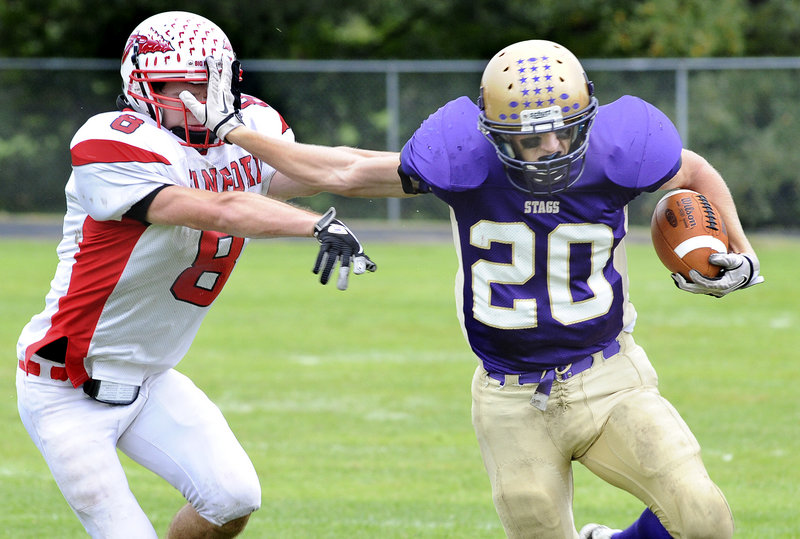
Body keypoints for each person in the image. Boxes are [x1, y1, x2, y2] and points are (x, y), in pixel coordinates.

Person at [187, 39, 764, 539]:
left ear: (587, 118)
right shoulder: (463, 160)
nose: (549, 149)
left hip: (609, 375)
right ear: (490, 133)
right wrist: (233, 131)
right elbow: (341, 171)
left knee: (705, 520)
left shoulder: (619, 151)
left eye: (563, 132)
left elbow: (693, 170)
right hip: (511, 399)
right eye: (527, 139)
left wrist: (737, 250)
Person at [15, 11, 379, 538]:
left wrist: (432, 170)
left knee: (232, 499)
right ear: (138, 84)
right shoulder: (114, 141)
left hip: (153, 377)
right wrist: (316, 226)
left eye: (201, 83)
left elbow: (336, 167)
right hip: (67, 383)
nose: (189, 99)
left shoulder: (250, 128)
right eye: (170, 85)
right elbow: (220, 209)